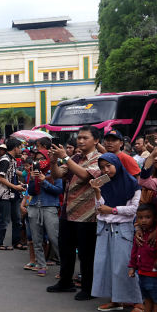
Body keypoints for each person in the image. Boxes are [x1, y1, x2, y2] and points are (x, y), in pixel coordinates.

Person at [47, 126, 102, 300]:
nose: (80, 141)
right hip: (68, 212)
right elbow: (57, 176)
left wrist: (65, 157)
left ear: (96, 141)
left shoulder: (99, 159)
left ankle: (89, 288)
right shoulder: (76, 157)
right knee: (66, 250)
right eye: (79, 137)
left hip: (88, 214)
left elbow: (86, 176)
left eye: (85, 138)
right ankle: (65, 282)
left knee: (86, 254)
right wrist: (54, 161)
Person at [89, 153, 143, 312]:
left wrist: (112, 210)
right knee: (106, 265)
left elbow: (134, 209)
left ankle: (138, 302)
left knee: (125, 266)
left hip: (123, 229)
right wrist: (98, 193)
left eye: (108, 166)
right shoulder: (102, 184)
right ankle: (116, 299)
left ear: (117, 165)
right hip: (105, 228)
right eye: (102, 167)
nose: (106, 170)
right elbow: (99, 207)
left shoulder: (132, 183)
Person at [25, 151, 62, 276]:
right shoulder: (33, 172)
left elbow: (58, 190)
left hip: (49, 207)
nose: (39, 161)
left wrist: (44, 181)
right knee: (36, 239)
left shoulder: (54, 171)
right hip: (34, 206)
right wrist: (32, 179)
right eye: (37, 159)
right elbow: (31, 192)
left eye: (42, 159)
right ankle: (41, 265)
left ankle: (64, 268)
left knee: (54, 237)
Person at [129, 204, 157, 312]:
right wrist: (132, 266)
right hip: (142, 271)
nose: (144, 220)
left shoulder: (156, 234)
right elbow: (134, 251)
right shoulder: (139, 234)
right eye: (140, 218)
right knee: (146, 297)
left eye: (147, 217)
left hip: (154, 273)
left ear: (155, 218)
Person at [0, 139, 26, 250]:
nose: (21, 149)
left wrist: (18, 183)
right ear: (15, 147)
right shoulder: (5, 159)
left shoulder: (12, 160)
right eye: (20, 147)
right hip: (5, 195)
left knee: (17, 220)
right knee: (4, 220)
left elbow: (10, 176)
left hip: (14, 194)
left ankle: (16, 242)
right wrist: (14, 186)